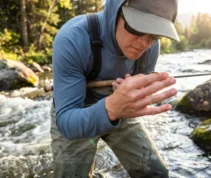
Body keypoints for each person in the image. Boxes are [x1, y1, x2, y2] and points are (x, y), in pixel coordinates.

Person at [51, 0, 180, 177]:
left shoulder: (151, 48)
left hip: (122, 111)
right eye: (137, 28)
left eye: (154, 35)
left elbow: (137, 92)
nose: (144, 43)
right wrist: (111, 107)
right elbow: (66, 123)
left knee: (156, 173)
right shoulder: (73, 38)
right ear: (115, 10)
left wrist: (137, 95)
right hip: (76, 110)